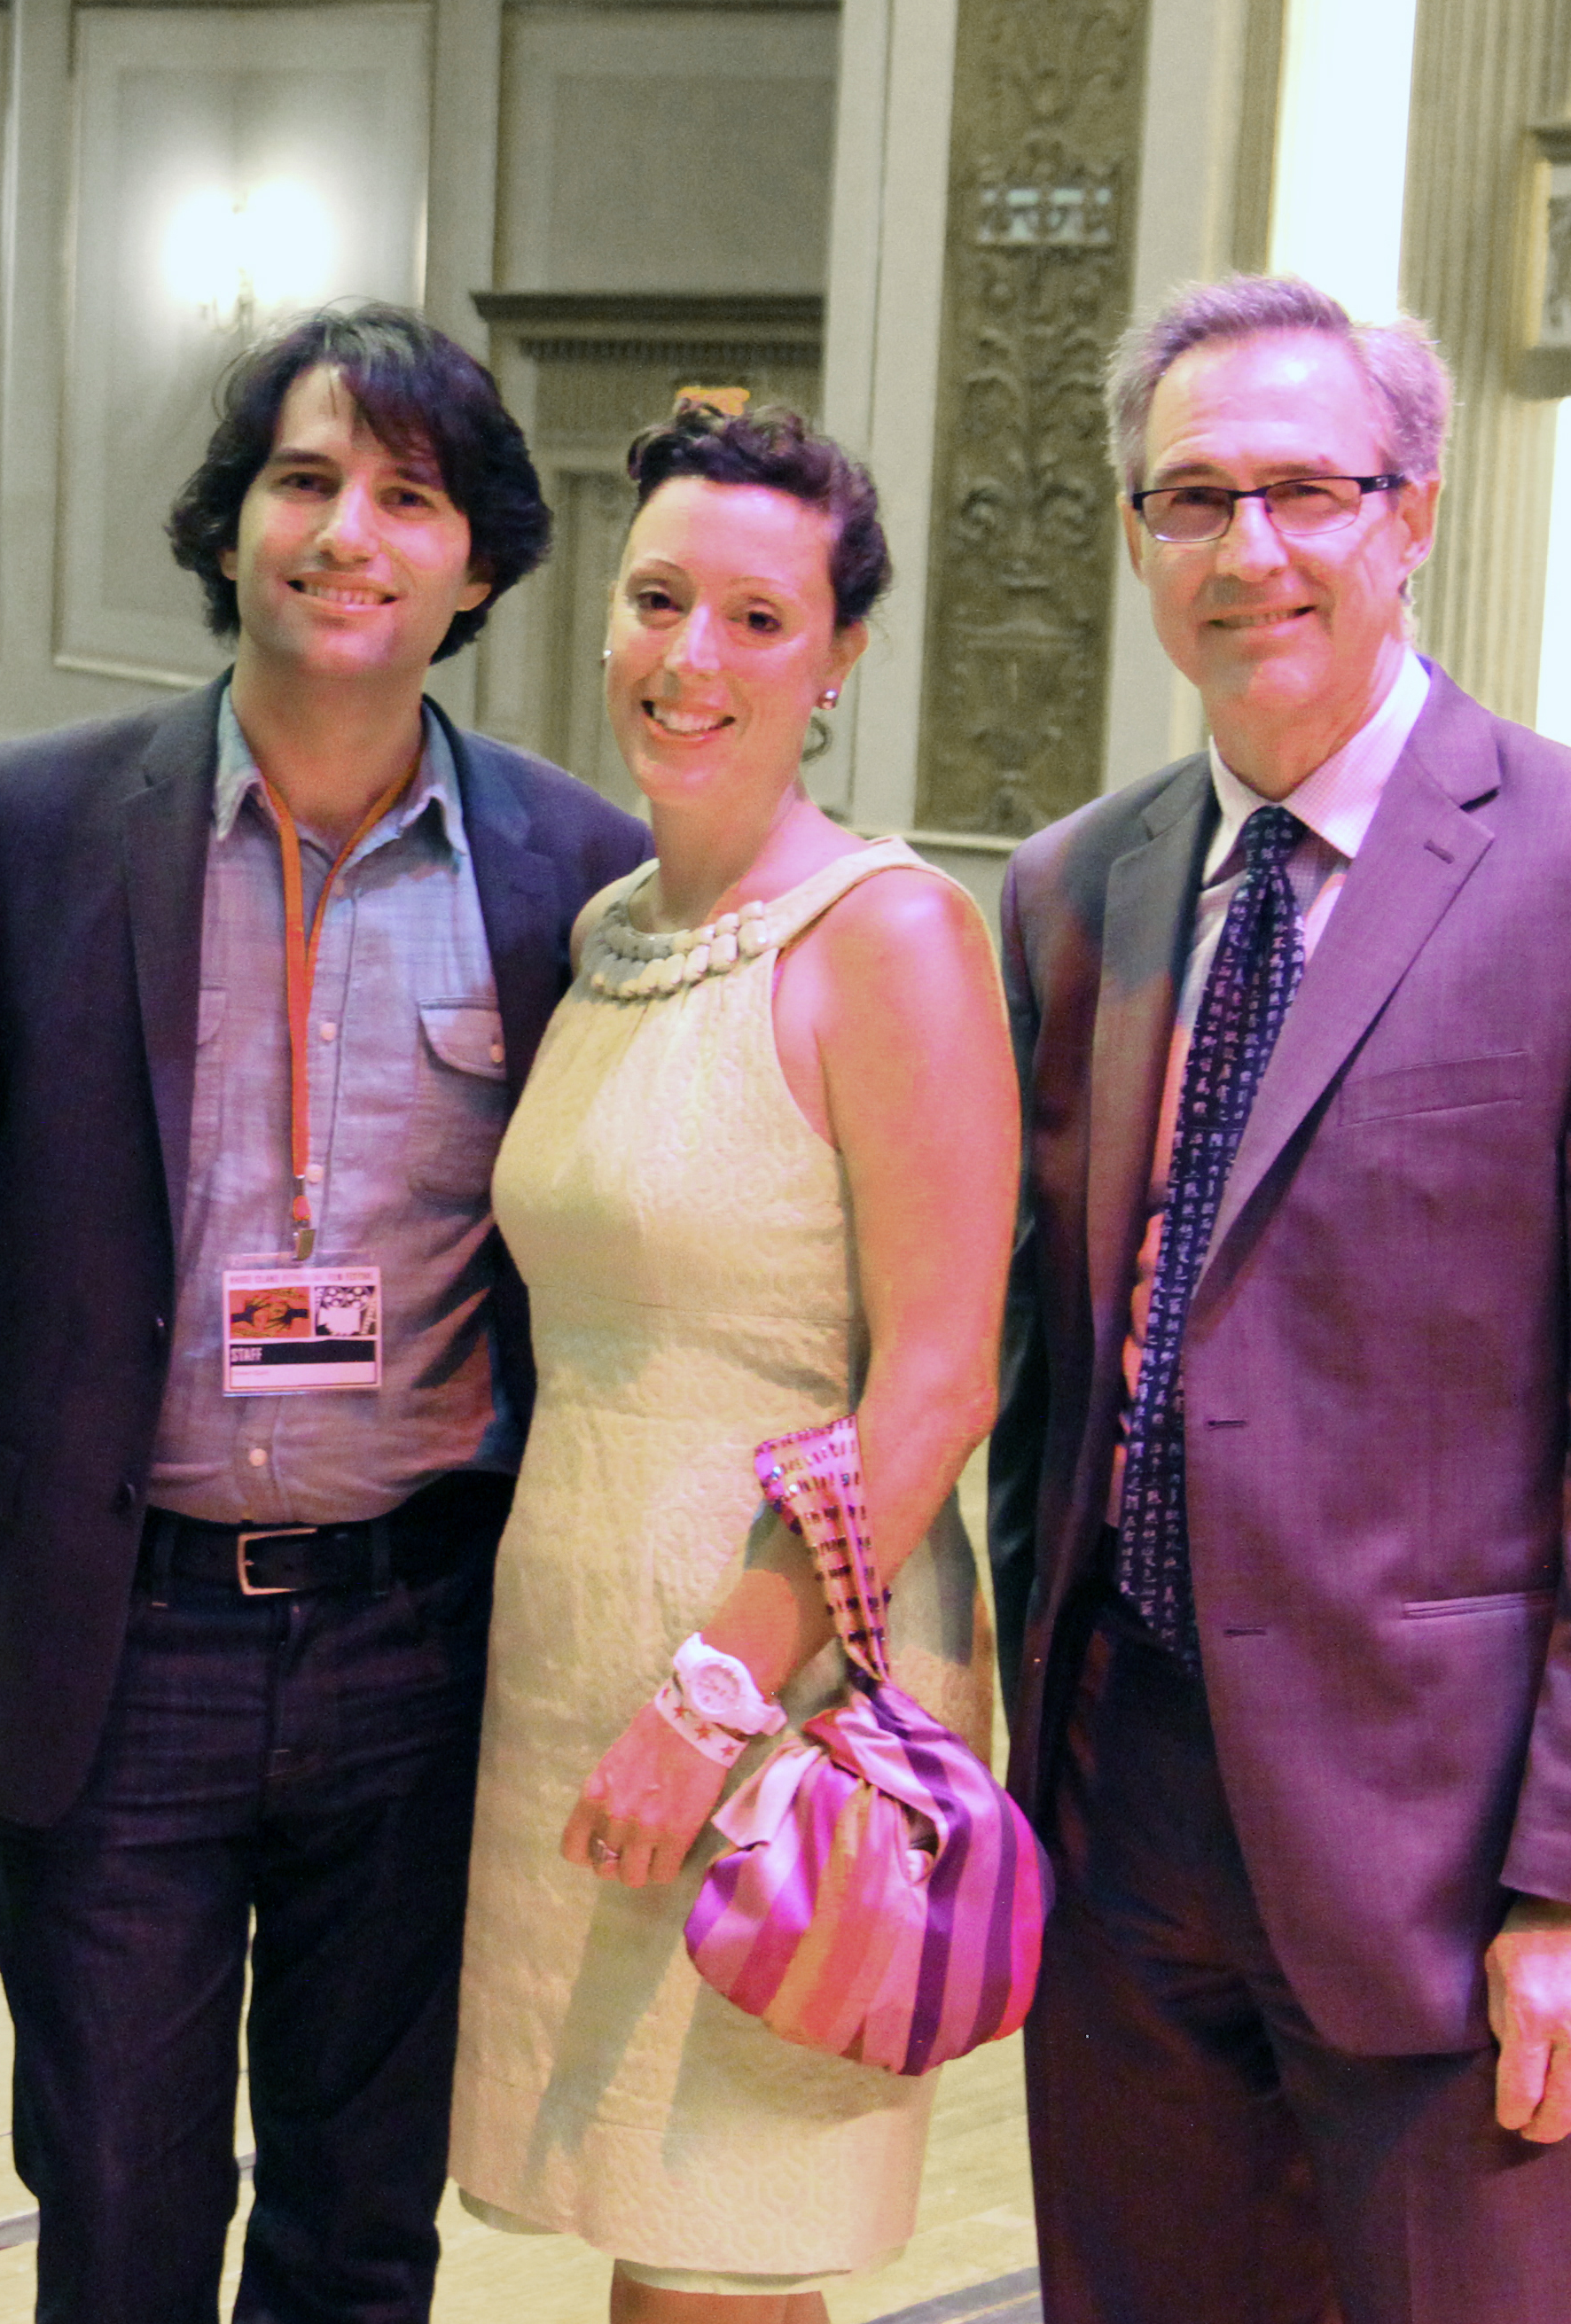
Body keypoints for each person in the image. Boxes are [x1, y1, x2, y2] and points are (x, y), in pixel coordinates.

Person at [990, 273, 1571, 2321]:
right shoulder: (1073, 888)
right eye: (1193, 501)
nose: (1249, 549)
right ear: (1137, 540)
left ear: (1413, 513)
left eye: (1306, 491)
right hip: (1123, 1809)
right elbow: (1049, 1376)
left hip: (1452, 1850)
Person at [0, 300, 652, 2322]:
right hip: (124, 1641)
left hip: (421, 1639)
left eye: (411, 496)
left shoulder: (577, 869)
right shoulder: (45, 821)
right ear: (231, 527)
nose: (349, 532)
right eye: (305, 480)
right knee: (117, 2221)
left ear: (479, 560)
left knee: (361, 2228)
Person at [448, 401, 1011, 2319]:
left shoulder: (894, 938)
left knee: (732, 2254)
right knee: (649, 2243)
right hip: (567, 1631)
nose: (692, 659)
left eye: (758, 619)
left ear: (841, 654)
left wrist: (712, 1697)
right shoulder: (609, 927)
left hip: (783, 1685)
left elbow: (937, 1380)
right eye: (659, 598)